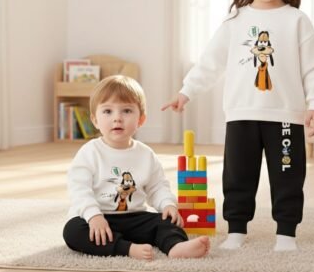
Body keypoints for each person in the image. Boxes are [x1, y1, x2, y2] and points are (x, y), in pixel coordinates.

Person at [162, 0, 314, 252]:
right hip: (241, 115)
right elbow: (210, 62)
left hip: (286, 117)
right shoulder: (235, 21)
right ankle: (236, 230)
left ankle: (286, 234)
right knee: (238, 176)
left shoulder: (297, 21)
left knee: (288, 177)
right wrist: (186, 91)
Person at [63, 75, 210, 260]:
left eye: (126, 111)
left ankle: (175, 246)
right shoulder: (89, 152)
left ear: (141, 119)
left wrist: (167, 204)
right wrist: (93, 216)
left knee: (168, 221)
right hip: (99, 217)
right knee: (73, 231)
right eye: (107, 111)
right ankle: (127, 248)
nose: (117, 118)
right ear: (95, 120)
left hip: (135, 217)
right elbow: (79, 189)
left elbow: (157, 186)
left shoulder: (145, 154)